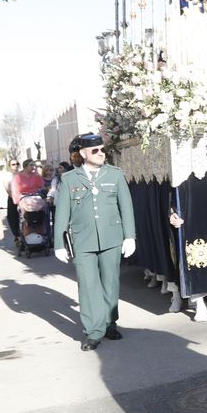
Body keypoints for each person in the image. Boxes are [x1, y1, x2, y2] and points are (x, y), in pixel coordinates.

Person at [53, 134, 137, 351]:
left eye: (102, 150)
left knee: (110, 283)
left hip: (111, 238)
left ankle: (110, 323)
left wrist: (130, 236)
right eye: (95, 151)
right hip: (82, 240)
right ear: (83, 154)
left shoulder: (115, 175)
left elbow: (126, 207)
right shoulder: (70, 179)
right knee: (88, 286)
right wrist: (59, 244)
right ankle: (93, 331)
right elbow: (62, 212)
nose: (101, 154)